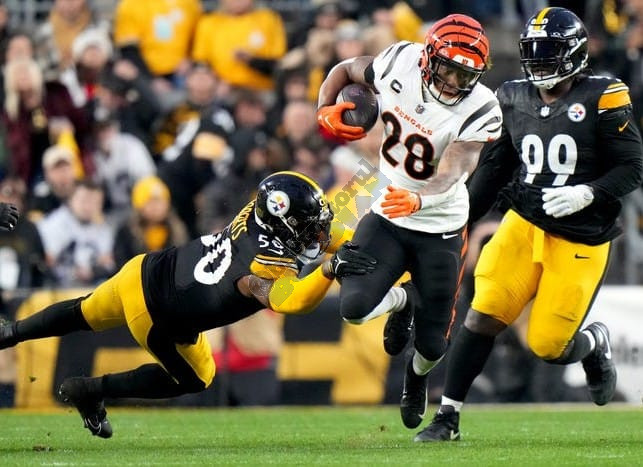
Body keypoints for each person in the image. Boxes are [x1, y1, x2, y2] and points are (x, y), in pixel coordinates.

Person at [0, 171, 375, 438]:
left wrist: (360, 247)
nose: (318, 233)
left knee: (82, 312)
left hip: (143, 270)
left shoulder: (259, 214)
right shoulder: (260, 267)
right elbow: (290, 301)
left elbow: (332, 234)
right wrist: (329, 270)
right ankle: (90, 390)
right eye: (308, 226)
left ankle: (9, 333)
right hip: (158, 314)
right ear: (283, 224)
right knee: (197, 378)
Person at [417, 7, 643, 442]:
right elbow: (495, 170)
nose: (538, 61)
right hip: (524, 223)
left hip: (581, 237)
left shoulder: (605, 95)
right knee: (482, 315)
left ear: (575, 53)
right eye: (533, 51)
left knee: (548, 344)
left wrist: (589, 192)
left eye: (549, 52)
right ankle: (447, 418)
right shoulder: (512, 95)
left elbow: (632, 167)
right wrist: (459, 221)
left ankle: (593, 344)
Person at [316, 14, 502, 433]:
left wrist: (420, 197)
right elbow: (345, 69)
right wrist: (323, 107)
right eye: (447, 69)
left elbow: (455, 168)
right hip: (389, 212)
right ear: (427, 58)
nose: (453, 82)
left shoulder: (482, 106)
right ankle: (404, 301)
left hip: (440, 225)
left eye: (464, 75)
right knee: (354, 309)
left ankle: (415, 377)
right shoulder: (400, 59)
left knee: (433, 346)